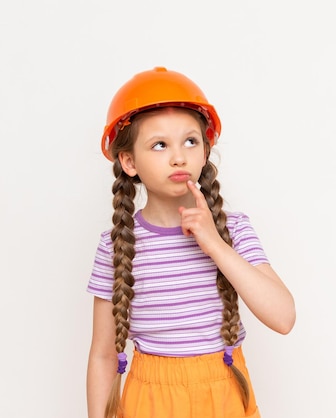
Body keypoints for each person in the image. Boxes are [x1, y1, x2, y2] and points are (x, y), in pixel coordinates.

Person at [86, 67, 296, 418]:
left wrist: (214, 245)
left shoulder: (233, 231)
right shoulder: (116, 246)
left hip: (224, 398)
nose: (179, 156)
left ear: (204, 151)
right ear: (129, 161)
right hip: (148, 402)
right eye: (159, 145)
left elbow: (283, 318)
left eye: (190, 141)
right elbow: (103, 355)